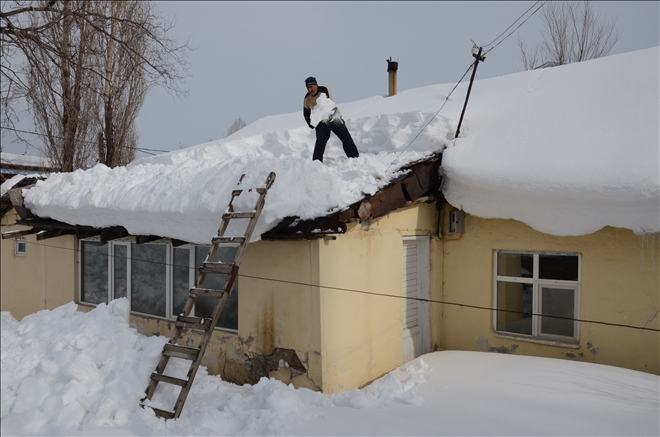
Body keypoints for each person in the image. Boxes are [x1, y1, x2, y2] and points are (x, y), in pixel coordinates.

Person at [303, 76, 359, 162]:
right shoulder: (307, 98)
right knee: (320, 142)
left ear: (316, 85)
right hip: (321, 123)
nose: (310, 89)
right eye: (307, 88)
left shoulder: (323, 90)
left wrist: (315, 120)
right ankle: (316, 164)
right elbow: (306, 112)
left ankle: (355, 158)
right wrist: (310, 123)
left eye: (311, 87)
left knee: (345, 137)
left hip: (333, 117)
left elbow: (324, 106)